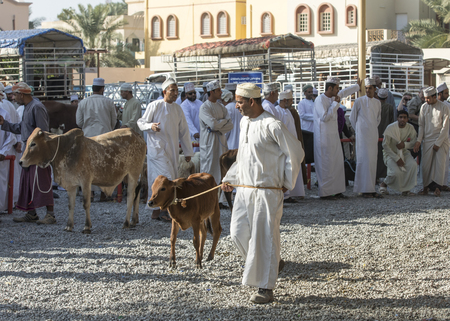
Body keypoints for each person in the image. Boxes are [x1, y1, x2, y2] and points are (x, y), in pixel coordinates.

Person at [221, 83, 303, 304]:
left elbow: (295, 152)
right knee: (237, 233)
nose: (236, 106)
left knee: (264, 239)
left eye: (239, 102)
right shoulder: (245, 121)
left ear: (252, 101)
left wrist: (286, 181)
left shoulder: (272, 124)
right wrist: (230, 178)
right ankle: (271, 263)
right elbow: (243, 158)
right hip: (244, 191)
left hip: (267, 192)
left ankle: (266, 288)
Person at [138, 78, 194, 221]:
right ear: (164, 92)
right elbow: (141, 122)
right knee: (164, 180)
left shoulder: (177, 108)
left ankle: (156, 213)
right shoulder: (154, 105)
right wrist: (150, 126)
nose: (175, 93)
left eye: (177, 90)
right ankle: (163, 210)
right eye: (172, 90)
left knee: (170, 179)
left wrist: (188, 152)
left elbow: (184, 131)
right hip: (157, 151)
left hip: (172, 151)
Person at [0, 82, 55, 224]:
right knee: (28, 182)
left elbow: (42, 132)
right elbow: (22, 128)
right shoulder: (27, 108)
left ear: (21, 94)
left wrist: (38, 152)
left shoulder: (36, 107)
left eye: (14, 95)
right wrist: (4, 124)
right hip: (28, 151)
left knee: (41, 180)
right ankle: (32, 213)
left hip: (37, 152)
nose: (12, 98)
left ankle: (50, 214)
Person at [313, 77, 360, 199]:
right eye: (336, 88)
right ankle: (326, 193)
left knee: (337, 164)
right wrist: (335, 104)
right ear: (330, 88)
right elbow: (324, 117)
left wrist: (357, 86)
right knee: (326, 165)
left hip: (334, 138)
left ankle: (337, 190)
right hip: (323, 139)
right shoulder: (320, 100)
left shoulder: (334, 96)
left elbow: (345, 92)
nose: (338, 91)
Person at [76, 78, 117, 201]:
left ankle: (90, 194)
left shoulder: (83, 103)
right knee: (104, 165)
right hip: (105, 137)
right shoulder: (109, 102)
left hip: (88, 137)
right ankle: (104, 194)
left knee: (89, 166)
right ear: (102, 89)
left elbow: (79, 122)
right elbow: (113, 121)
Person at [199, 80, 233, 207]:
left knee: (222, 170)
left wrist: (217, 126)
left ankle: (220, 200)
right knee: (209, 171)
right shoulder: (204, 107)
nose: (221, 92)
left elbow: (230, 124)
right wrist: (220, 124)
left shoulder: (221, 107)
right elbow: (212, 124)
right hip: (209, 144)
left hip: (221, 143)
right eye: (218, 90)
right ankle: (207, 199)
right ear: (211, 92)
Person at [413, 86, 450, 197]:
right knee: (426, 165)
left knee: (440, 164)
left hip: (442, 140)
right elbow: (421, 125)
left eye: (428, 98)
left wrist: (438, 143)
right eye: (425, 98)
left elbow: (445, 127)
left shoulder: (444, 107)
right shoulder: (424, 107)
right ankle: (425, 187)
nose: (426, 100)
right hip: (427, 140)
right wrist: (419, 140)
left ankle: (438, 188)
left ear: (435, 97)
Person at [350, 78, 382, 198]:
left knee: (372, 161)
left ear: (375, 89)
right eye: (366, 88)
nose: (368, 91)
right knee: (363, 161)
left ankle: (371, 188)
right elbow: (352, 119)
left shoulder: (378, 103)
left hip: (373, 134)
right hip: (362, 136)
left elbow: (378, 119)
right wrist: (360, 129)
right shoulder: (359, 101)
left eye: (370, 88)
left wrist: (371, 128)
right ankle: (363, 189)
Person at [379, 110, 417, 196]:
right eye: (400, 117)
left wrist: (405, 145)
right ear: (397, 118)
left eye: (404, 117)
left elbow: (414, 142)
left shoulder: (410, 128)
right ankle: (384, 183)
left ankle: (406, 190)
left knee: (413, 165)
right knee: (396, 173)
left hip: (403, 151)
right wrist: (397, 158)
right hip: (390, 153)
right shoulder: (391, 128)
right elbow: (385, 145)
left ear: (407, 119)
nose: (402, 119)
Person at [277, 90, 305, 200]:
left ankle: (294, 193)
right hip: (284, 146)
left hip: (292, 145)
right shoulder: (278, 111)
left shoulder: (288, 111)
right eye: (291, 100)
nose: (292, 102)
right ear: (285, 100)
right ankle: (286, 195)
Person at [0, 84, 22, 205]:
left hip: (6, 150)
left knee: (5, 179)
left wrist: (3, 152)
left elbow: (11, 131)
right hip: (10, 148)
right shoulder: (11, 106)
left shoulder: (5, 110)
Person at [376, 88, 395, 182]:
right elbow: (392, 121)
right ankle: (385, 175)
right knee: (385, 155)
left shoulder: (374, 106)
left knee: (376, 155)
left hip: (374, 134)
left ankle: (376, 176)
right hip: (386, 134)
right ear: (386, 97)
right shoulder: (390, 107)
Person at [0, 106, 15, 213]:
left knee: (1, 183)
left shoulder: (4, 114)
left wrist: (3, 152)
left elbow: (10, 136)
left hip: (0, 156)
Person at [180, 82, 202, 152]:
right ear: (186, 95)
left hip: (201, 134)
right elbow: (187, 120)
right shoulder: (184, 105)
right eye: (190, 93)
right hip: (191, 135)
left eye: (194, 93)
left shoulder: (200, 103)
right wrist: (194, 132)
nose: (193, 95)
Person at [436, 82, 450, 191]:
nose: (448, 95)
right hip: (434, 137)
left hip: (446, 137)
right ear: (439, 94)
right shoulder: (434, 105)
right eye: (446, 93)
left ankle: (443, 183)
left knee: (445, 161)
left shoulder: (447, 105)